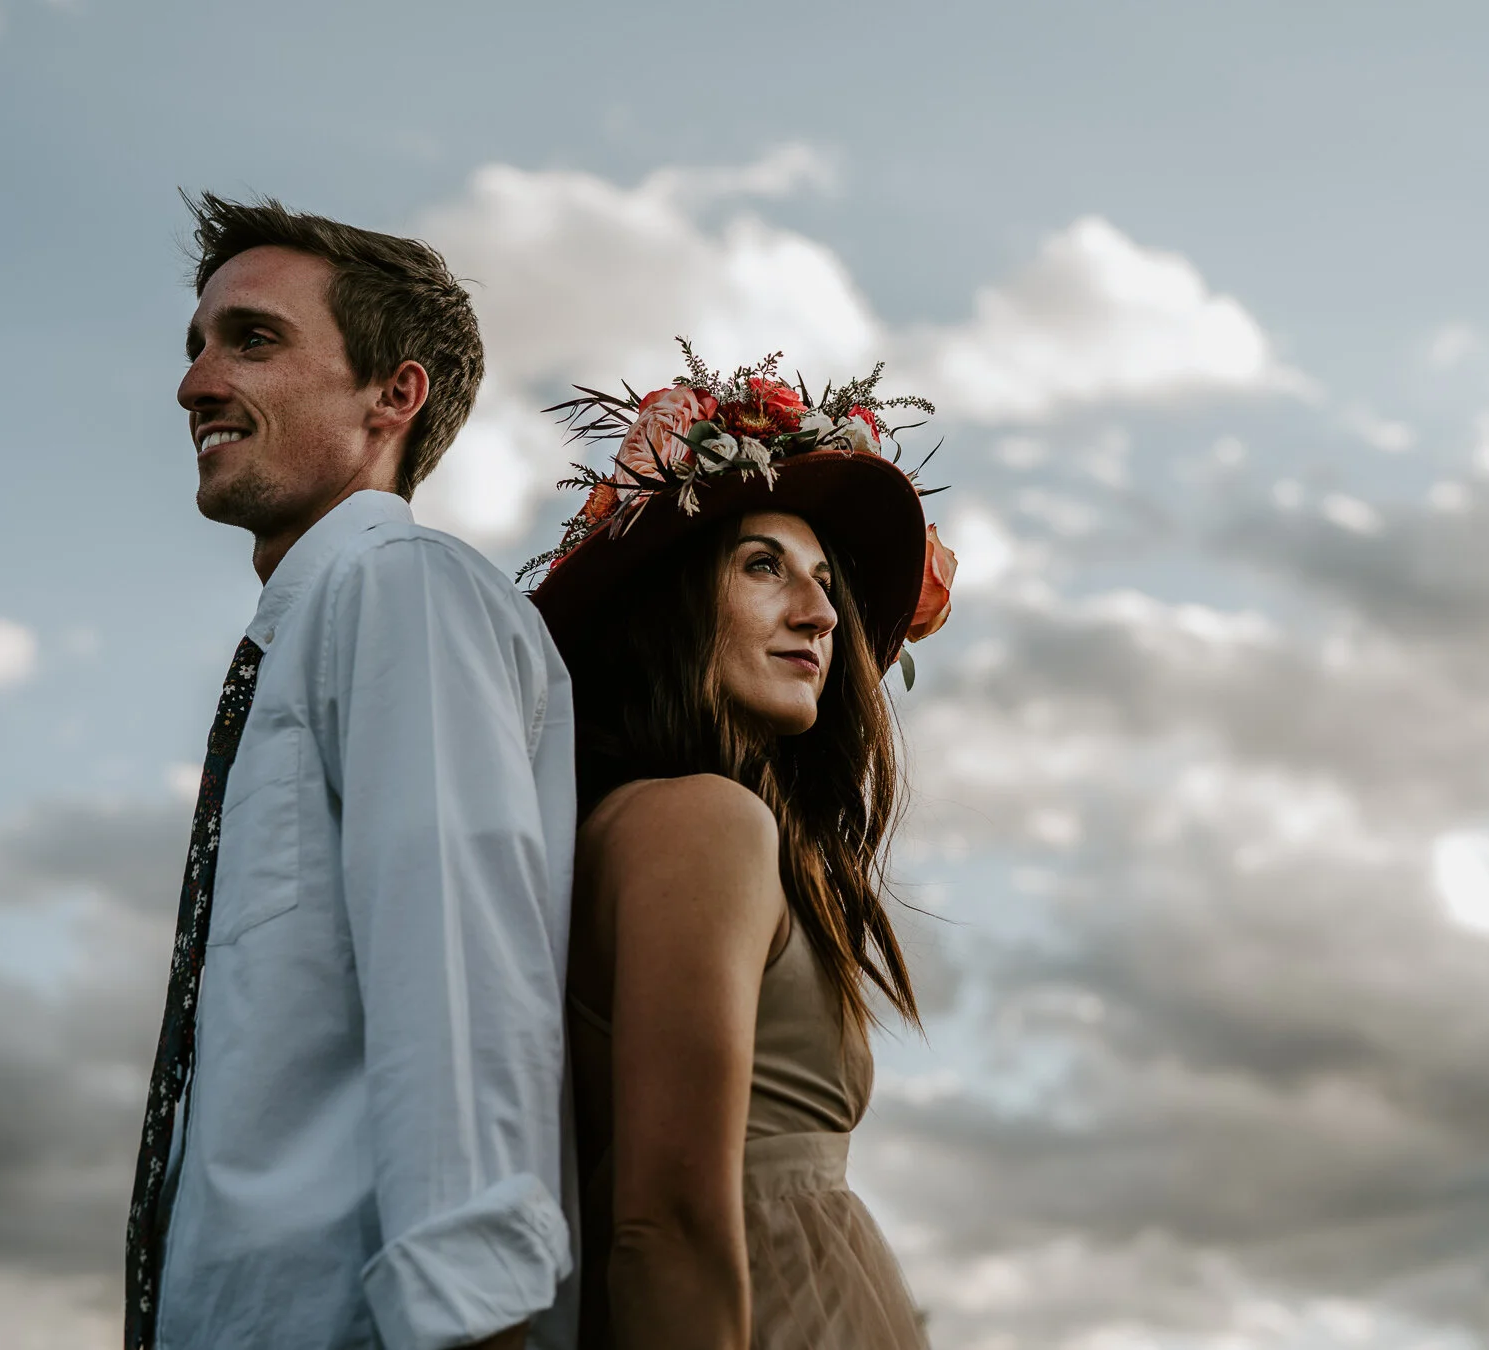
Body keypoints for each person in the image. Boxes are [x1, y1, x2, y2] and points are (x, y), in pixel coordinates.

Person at [124, 193, 577, 1350]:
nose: (195, 384)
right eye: (196, 346)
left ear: (394, 394)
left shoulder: (399, 591)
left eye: (252, 340)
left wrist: (468, 1312)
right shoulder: (309, 631)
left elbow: (459, 979)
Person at [524, 352, 958, 1350]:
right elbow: (663, 1224)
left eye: (822, 582)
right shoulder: (700, 821)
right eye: (761, 566)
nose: (817, 613)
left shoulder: (682, 828)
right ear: (670, 603)